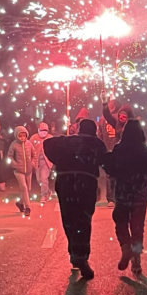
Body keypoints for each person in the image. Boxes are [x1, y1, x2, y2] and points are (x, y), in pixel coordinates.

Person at [45, 119, 107, 280]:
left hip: (65, 182)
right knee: (83, 220)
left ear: (79, 128)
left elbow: (48, 145)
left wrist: (61, 159)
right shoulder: (97, 144)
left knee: (69, 218)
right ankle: (81, 256)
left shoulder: (66, 141)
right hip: (86, 183)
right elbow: (105, 161)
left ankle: (74, 252)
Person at [104, 119, 147, 275]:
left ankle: (125, 247)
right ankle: (136, 259)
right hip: (140, 193)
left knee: (121, 221)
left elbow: (111, 169)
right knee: (138, 227)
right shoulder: (146, 151)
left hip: (123, 192)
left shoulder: (119, 149)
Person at [7, 125, 36, 216]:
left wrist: (32, 163)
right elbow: (9, 156)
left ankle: (20, 202)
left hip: (28, 170)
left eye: (24, 135)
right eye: (20, 136)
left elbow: (34, 155)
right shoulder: (14, 144)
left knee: (29, 189)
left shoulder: (29, 144)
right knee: (24, 187)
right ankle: (28, 207)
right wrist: (15, 164)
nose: (23, 137)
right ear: (17, 135)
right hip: (18, 171)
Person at [32, 121, 54, 202]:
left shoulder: (50, 138)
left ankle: (43, 196)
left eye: (45, 131)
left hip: (46, 162)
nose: (43, 133)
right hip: (37, 162)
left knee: (44, 178)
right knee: (39, 179)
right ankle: (47, 191)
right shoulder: (34, 138)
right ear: (38, 130)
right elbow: (30, 149)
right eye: (42, 131)